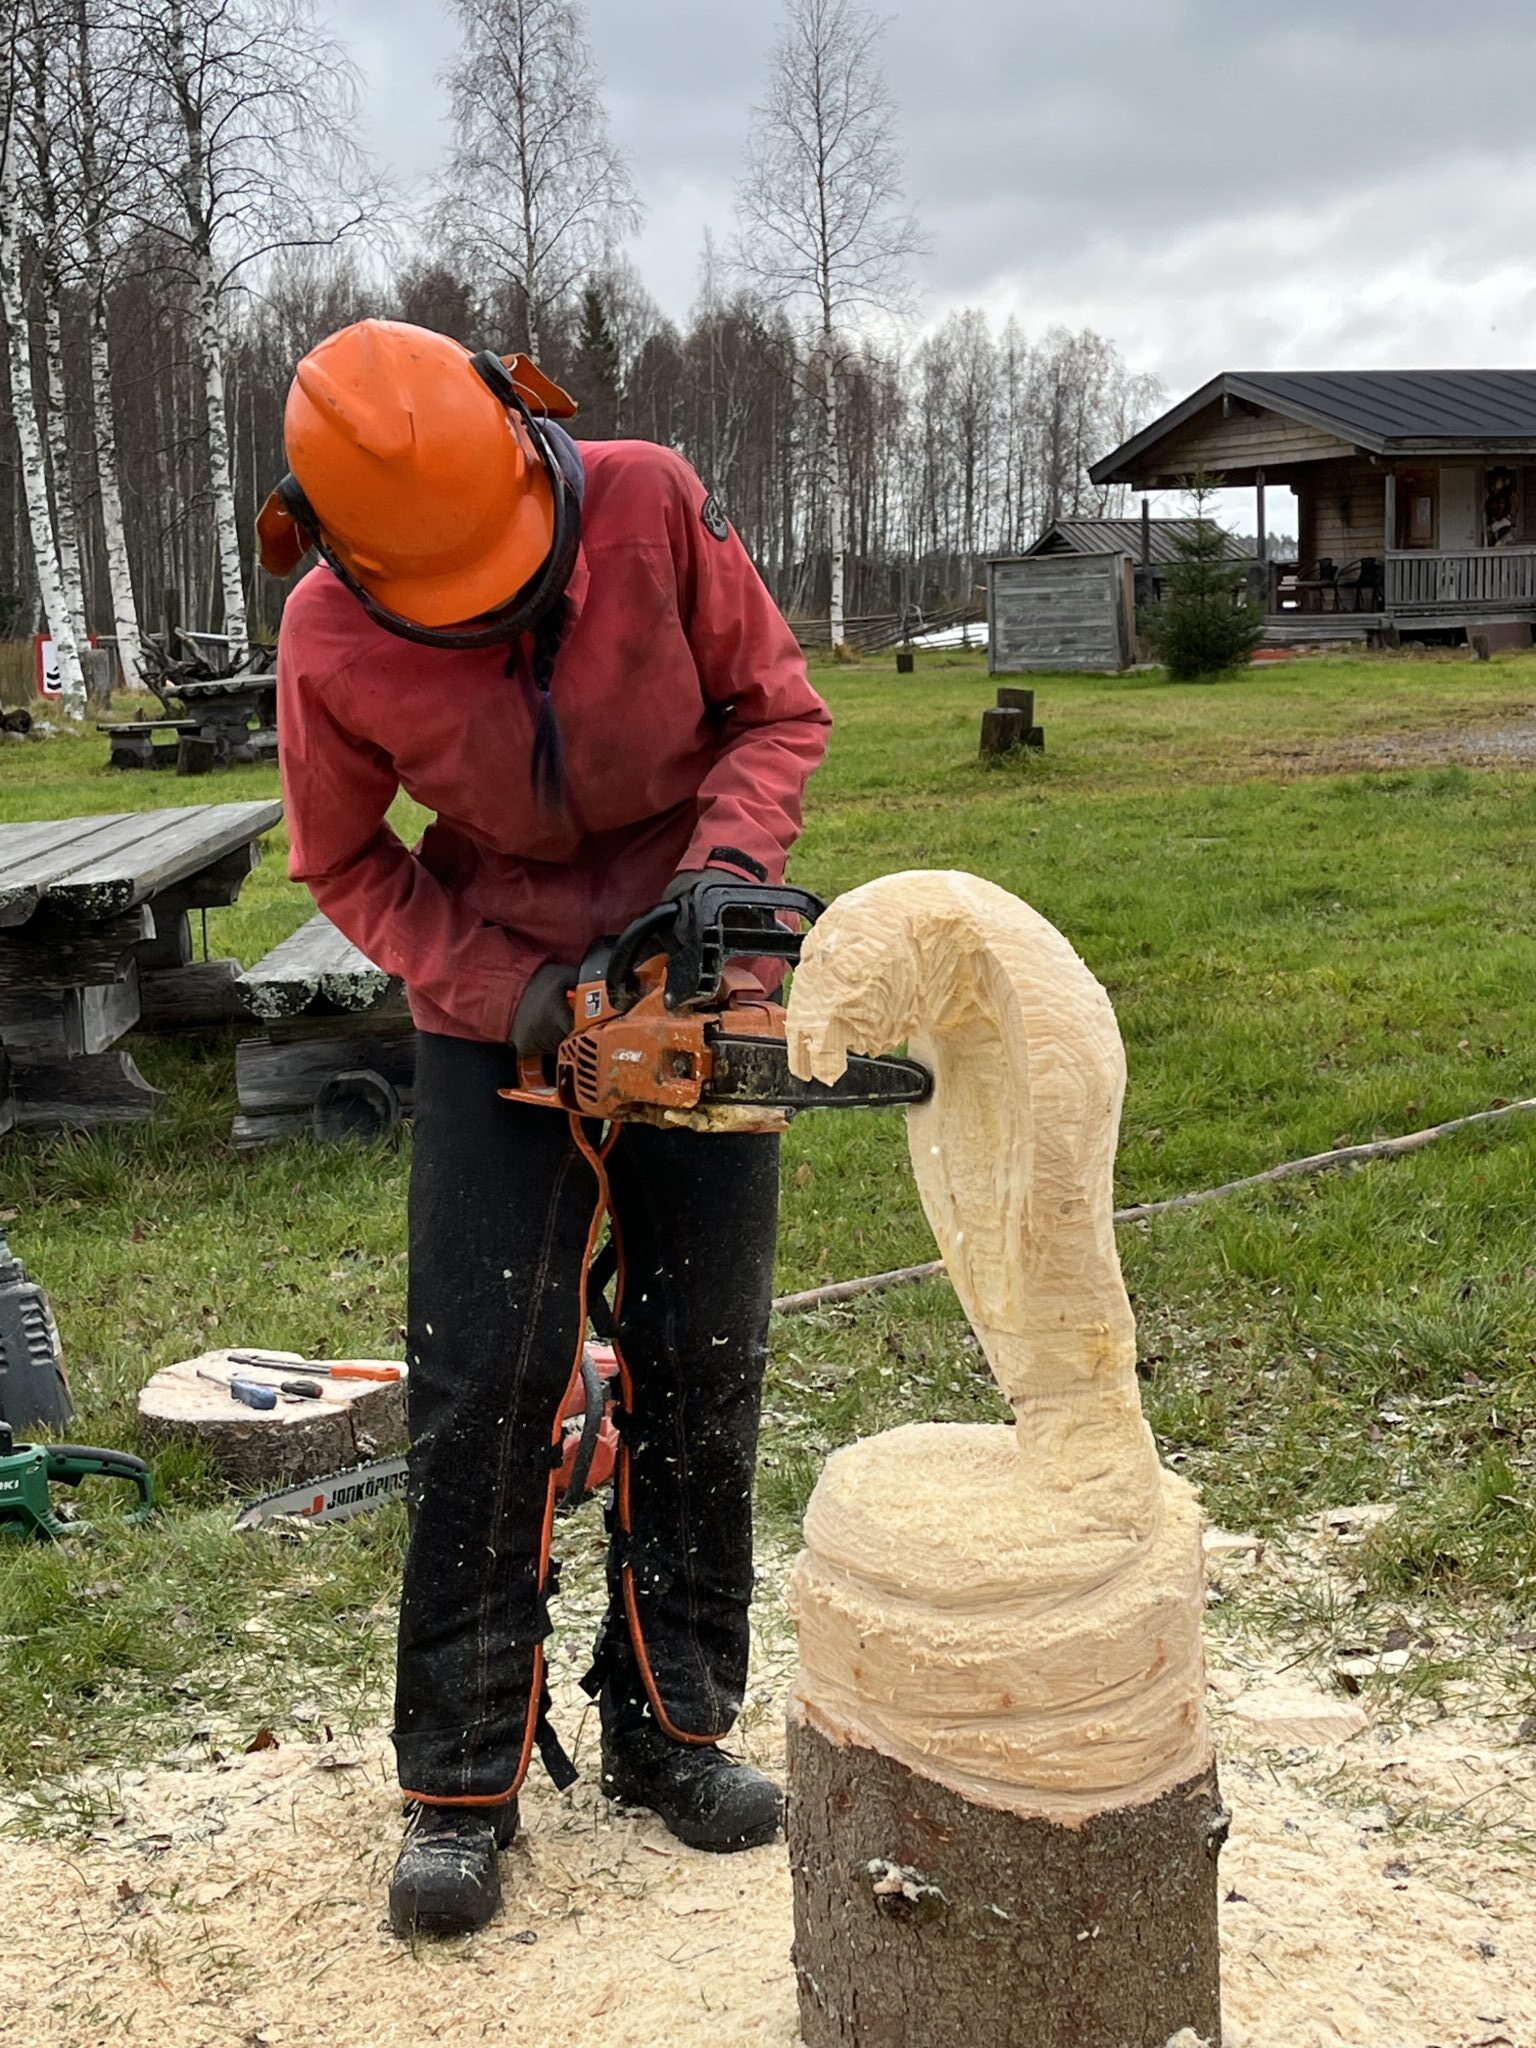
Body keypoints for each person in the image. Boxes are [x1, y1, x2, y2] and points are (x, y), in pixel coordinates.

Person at [258, 318, 830, 1938]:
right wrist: (496, 986)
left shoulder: (652, 501)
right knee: (480, 1378)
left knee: (705, 1355)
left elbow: (777, 712)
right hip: (491, 991)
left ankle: (675, 1728)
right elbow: (345, 860)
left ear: (532, 449)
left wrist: (726, 878)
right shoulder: (326, 633)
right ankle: (458, 1783)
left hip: (697, 956)